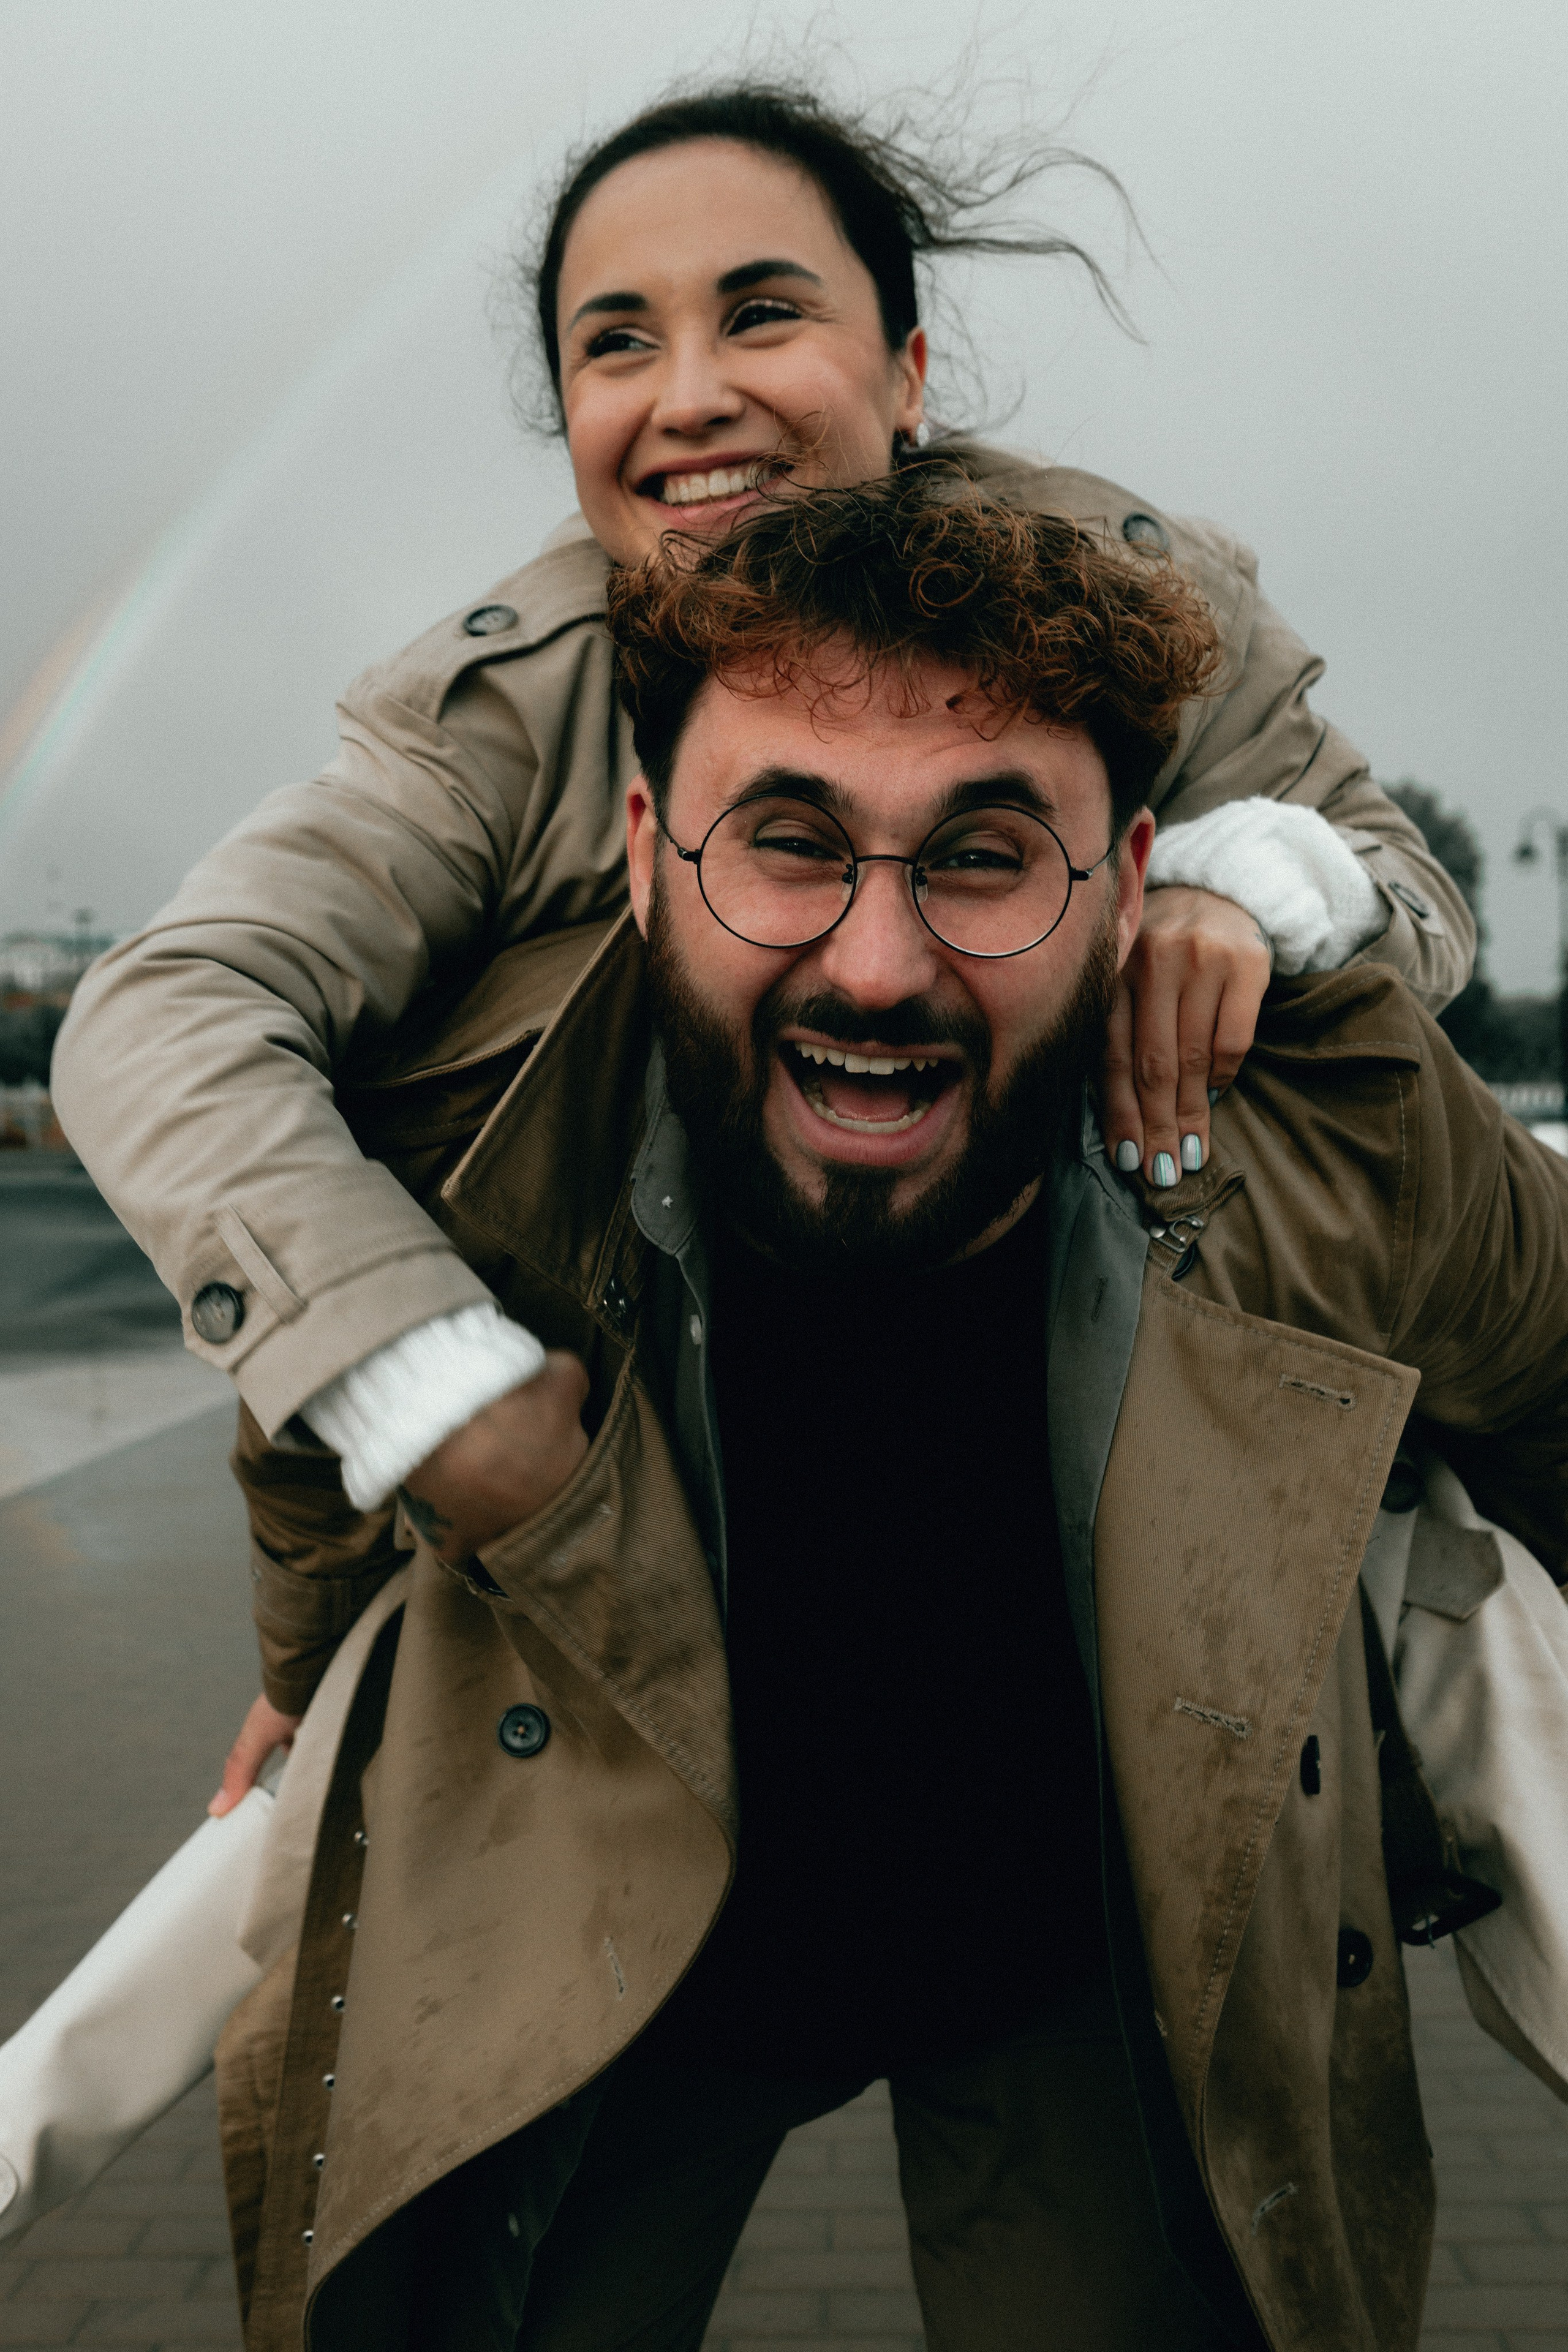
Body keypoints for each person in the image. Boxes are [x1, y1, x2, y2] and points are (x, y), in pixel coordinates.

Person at [216, 474, 1566, 2352]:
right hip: (612, 1950)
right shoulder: (473, 1135)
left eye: (987, 854)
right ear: (636, 845)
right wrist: (298, 1673)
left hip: (1086, 1963)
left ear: (1134, 872)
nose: (876, 962)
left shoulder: (1340, 1138)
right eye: (786, 841)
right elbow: (304, 1424)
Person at [51, 81, 1473, 1805]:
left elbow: (1413, 905)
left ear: (911, 375)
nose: (691, 394)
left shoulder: (1137, 614)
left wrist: (1249, 885)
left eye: (764, 311)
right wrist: (411, 1388)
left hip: (1088, 1699)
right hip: (649, 1695)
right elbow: (171, 1010)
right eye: (615, 344)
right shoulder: (494, 723)